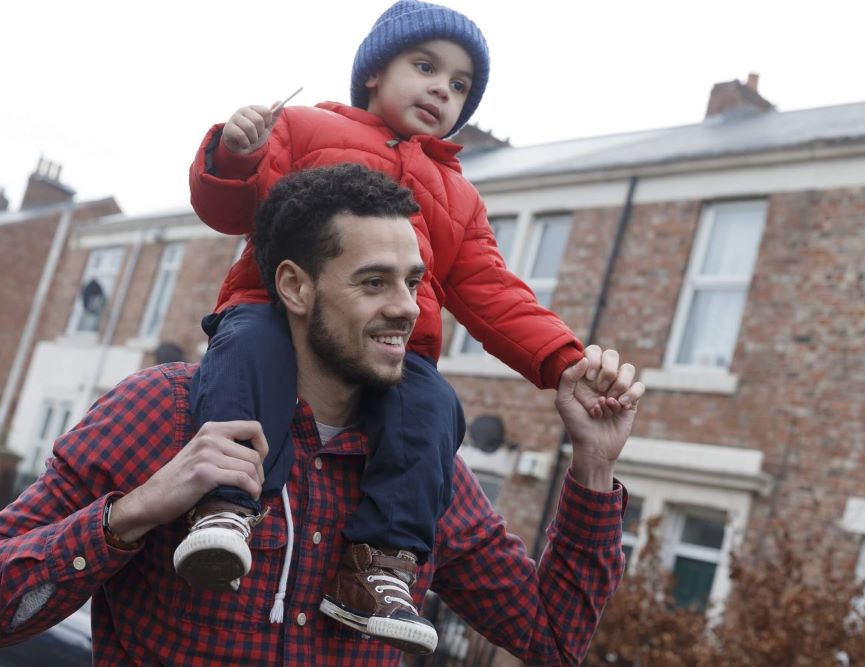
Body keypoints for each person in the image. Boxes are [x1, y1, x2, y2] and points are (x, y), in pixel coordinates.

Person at [0, 164, 645, 666]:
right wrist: (135, 511)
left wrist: (593, 466)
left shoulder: (425, 470)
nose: (406, 307)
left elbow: (553, 640)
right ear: (295, 287)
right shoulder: (163, 412)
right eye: (373, 282)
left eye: (412, 282)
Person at [181, 3, 587, 650]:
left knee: (432, 404)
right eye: (425, 66)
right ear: (374, 72)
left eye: (458, 85)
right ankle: (227, 505)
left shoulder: (458, 196)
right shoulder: (305, 128)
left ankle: (378, 566)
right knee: (246, 345)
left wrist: (566, 360)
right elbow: (228, 208)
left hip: (396, 354)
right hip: (273, 310)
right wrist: (234, 153)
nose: (441, 89)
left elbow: (491, 292)